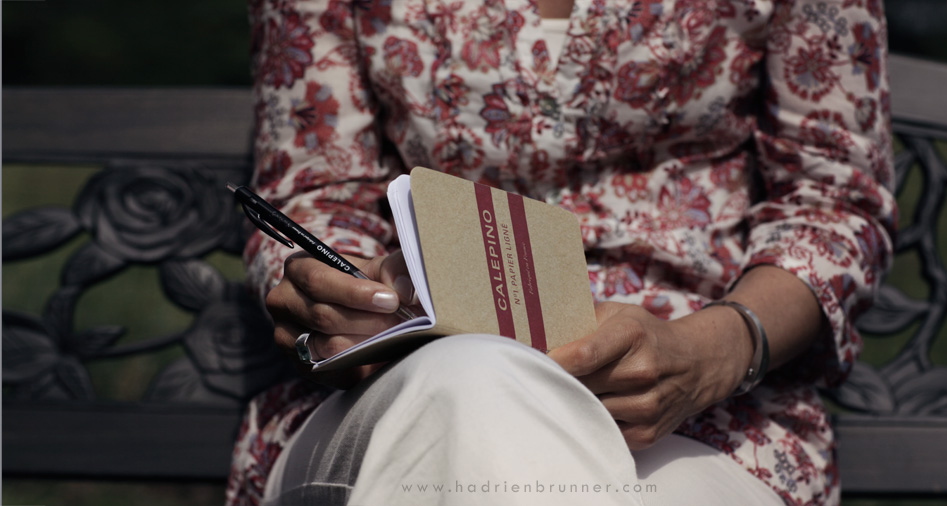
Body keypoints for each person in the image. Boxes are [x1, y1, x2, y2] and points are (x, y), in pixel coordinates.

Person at [226, 0, 895, 504]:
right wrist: (342, 298)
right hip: (397, 389)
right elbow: (318, 186)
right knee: (472, 383)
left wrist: (720, 350)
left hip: (706, 415)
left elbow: (833, 199)